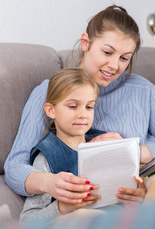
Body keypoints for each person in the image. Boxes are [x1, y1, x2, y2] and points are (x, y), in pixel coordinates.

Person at [4, 5, 155, 205]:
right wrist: (50, 183)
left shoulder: (142, 90)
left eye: (124, 58)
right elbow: (14, 167)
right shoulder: (48, 93)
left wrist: (132, 152)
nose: (115, 66)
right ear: (85, 42)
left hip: (144, 196)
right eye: (107, 52)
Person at [20, 68, 146, 225]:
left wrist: (137, 197)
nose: (83, 114)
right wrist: (61, 207)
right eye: (73, 106)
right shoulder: (46, 157)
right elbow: (26, 222)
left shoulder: (105, 143)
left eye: (89, 107)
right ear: (51, 110)